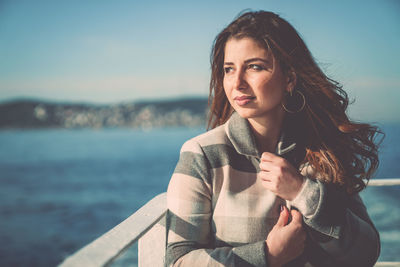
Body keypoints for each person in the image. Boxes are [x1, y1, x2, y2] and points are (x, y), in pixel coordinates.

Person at [165, 10, 382, 267]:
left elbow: (367, 253)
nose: (237, 83)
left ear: (289, 78)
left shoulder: (321, 151)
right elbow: (177, 261)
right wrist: (268, 255)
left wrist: (304, 193)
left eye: (254, 67)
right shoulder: (202, 154)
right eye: (229, 69)